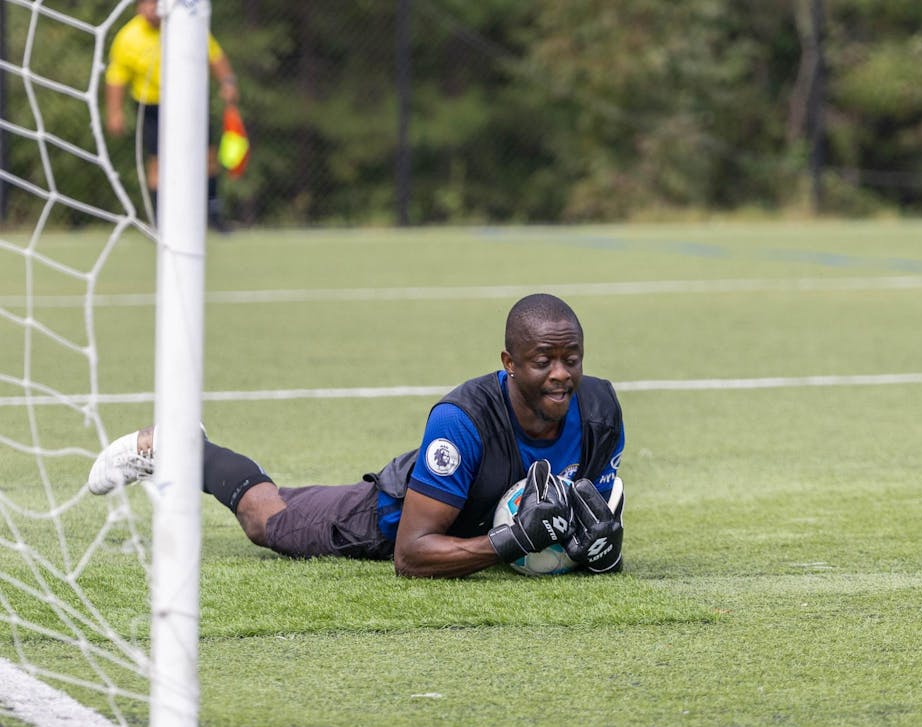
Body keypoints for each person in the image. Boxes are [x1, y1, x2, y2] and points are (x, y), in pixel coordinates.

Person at [87, 294, 626, 578]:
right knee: (266, 519)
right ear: (509, 363)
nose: (561, 374)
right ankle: (180, 447)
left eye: (571, 358)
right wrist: (508, 543)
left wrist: (599, 551)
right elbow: (411, 557)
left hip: (474, 521)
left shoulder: (600, 412)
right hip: (391, 518)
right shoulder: (460, 420)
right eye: (542, 361)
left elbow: (589, 516)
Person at [105, 0, 239, 232]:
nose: (150, 9)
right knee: (157, 163)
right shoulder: (128, 37)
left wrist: (227, 82)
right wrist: (114, 112)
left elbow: (214, 55)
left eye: (154, 3)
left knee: (207, 157)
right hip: (151, 106)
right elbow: (116, 77)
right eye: (144, 4)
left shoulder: (184, 26)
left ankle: (213, 214)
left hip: (189, 101)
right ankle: (160, 221)